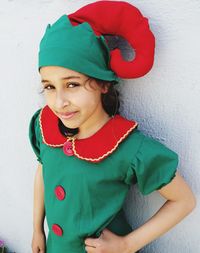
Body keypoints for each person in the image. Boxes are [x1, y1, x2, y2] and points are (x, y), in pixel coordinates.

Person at [28, 1, 196, 253]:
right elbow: (44, 170)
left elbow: (184, 200)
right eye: (49, 87)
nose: (59, 102)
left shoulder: (128, 147)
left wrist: (128, 244)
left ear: (104, 84)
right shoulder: (46, 125)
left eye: (72, 84)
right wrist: (37, 229)